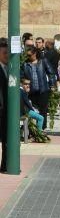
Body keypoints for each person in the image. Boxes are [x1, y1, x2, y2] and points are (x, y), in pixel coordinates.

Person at [22, 47, 53, 130]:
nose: (28, 57)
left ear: (35, 53)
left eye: (29, 55)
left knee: (43, 110)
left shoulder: (43, 61)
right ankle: (32, 128)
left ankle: (42, 128)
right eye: (27, 55)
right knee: (31, 110)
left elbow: (51, 73)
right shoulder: (25, 64)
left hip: (43, 90)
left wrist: (52, 85)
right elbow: (21, 76)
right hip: (31, 91)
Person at [0, 41, 9, 172]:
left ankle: (5, 165)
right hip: (1, 109)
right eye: (4, 53)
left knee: (6, 139)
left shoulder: (8, 67)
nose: (7, 55)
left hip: (6, 110)